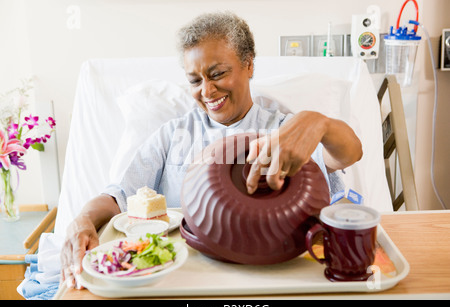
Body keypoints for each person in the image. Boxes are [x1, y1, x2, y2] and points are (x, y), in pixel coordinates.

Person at [60, 11, 362, 289]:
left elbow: (347, 154)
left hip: (274, 275)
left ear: (249, 64)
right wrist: (82, 219)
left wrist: (318, 123)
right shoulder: (173, 135)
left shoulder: (286, 130)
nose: (206, 91)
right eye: (195, 80)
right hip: (187, 275)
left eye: (217, 74)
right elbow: (118, 197)